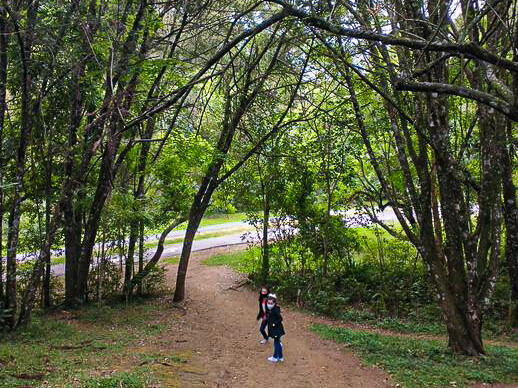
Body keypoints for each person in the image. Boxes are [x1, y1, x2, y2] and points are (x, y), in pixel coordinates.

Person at [266, 293, 285, 363]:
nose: (269, 304)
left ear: (274, 302)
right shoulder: (271, 309)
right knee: (278, 342)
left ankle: (275, 357)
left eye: (271, 303)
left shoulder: (275, 310)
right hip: (275, 329)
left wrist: (274, 324)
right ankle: (280, 357)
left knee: (276, 343)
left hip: (277, 329)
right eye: (268, 303)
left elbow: (280, 318)